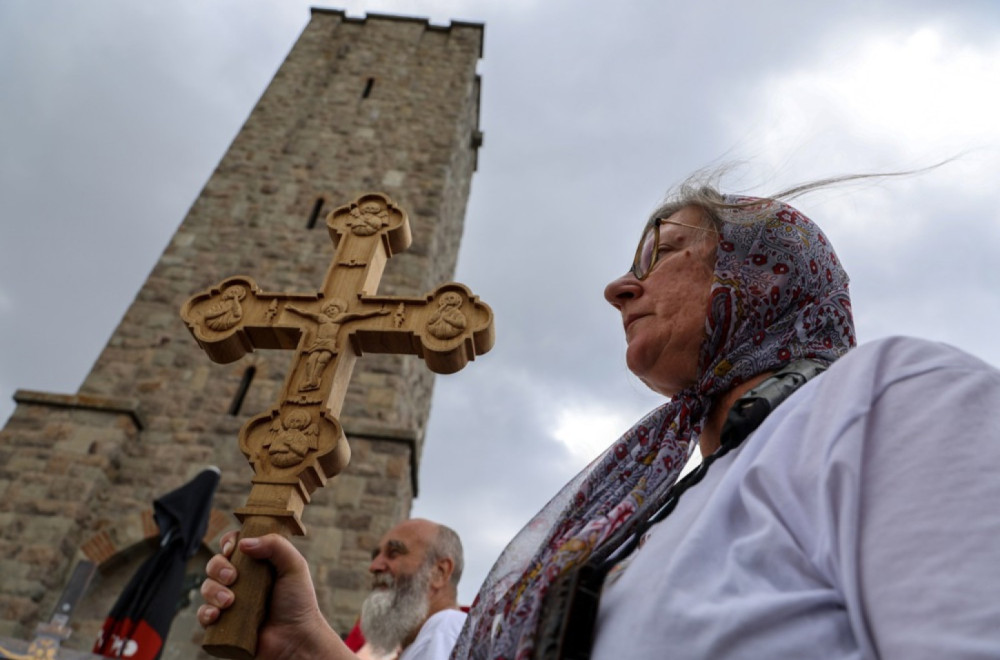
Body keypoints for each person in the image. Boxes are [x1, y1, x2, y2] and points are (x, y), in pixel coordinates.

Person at [204, 174, 1000, 659]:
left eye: (662, 256)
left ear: (763, 274)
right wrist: (310, 650)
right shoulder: (652, 524)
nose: (620, 287)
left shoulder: (889, 397)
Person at [199, 518, 466, 660]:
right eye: (376, 554)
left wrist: (304, 639)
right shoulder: (416, 646)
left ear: (439, 572)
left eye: (394, 553)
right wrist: (295, 642)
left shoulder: (448, 627)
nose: (374, 566)